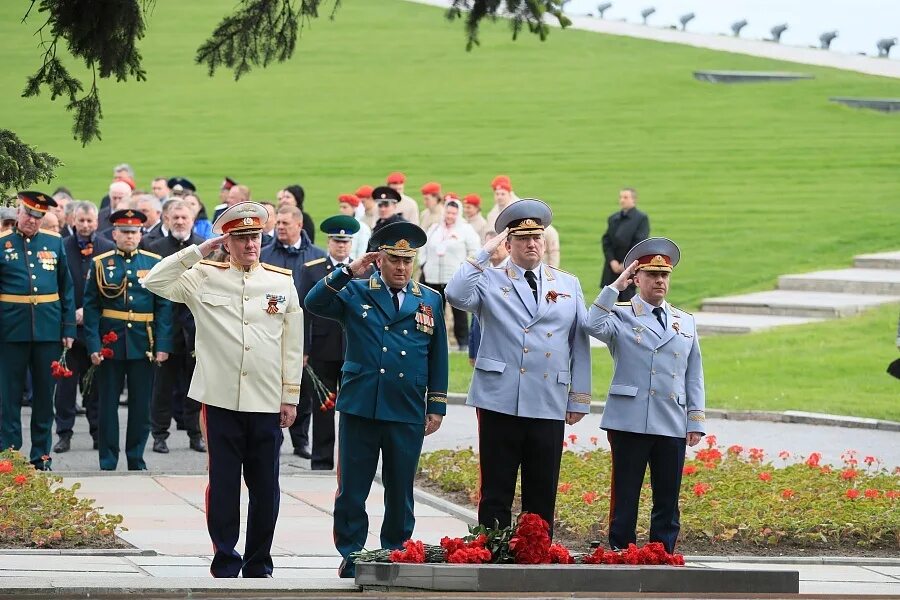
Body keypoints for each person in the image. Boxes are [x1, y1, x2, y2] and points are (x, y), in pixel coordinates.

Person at [142, 201, 302, 578]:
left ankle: (259, 560)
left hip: (266, 399)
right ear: (227, 241)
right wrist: (199, 250)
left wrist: (289, 396)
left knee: (266, 487)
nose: (250, 245)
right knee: (224, 484)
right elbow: (154, 280)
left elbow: (292, 345)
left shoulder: (281, 281)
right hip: (220, 398)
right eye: (242, 238)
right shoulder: (204, 276)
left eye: (255, 237)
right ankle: (226, 557)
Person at [305, 221, 448, 579]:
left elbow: (438, 355)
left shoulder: (428, 299)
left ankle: (397, 551)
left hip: (406, 407)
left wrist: (437, 404)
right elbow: (314, 302)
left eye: (407, 261)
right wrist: (349, 270)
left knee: (401, 489)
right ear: (379, 259)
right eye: (393, 260)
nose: (401, 268)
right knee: (353, 487)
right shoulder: (355, 291)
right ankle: (352, 552)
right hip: (362, 403)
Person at [445, 198, 591, 535]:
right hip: (500, 395)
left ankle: (535, 552)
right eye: (523, 238)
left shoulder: (567, 284)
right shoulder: (489, 280)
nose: (532, 244)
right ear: (507, 244)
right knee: (497, 486)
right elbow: (454, 294)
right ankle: (494, 551)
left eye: (537, 237)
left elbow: (578, 342)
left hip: (548, 396)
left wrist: (579, 396)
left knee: (542, 486)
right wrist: (483, 253)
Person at [586, 237, 705, 553]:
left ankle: (661, 554)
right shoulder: (621, 314)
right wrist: (614, 287)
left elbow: (694, 373)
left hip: (671, 420)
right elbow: (591, 324)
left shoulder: (685, 321)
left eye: (664, 275)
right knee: (625, 494)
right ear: (636, 278)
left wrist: (695, 420)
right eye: (652, 275)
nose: (660, 281)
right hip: (629, 419)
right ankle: (621, 552)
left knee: (668, 497)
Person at [83, 209, 173, 471]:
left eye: (134, 232)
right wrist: (93, 345)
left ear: (140, 233)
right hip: (110, 344)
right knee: (107, 406)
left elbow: (164, 307)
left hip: (143, 343)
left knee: (141, 406)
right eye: (124, 232)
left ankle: (136, 458)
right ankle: (108, 460)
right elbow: (90, 308)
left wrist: (163, 344)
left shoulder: (153, 262)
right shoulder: (101, 263)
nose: (130, 237)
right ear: (114, 234)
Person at [0, 191, 76, 470]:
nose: (32, 220)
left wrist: (68, 327)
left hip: (47, 329)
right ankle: (8, 454)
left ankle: (41, 455)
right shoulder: (2, 244)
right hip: (10, 330)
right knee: (8, 397)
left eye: (38, 216)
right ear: (18, 213)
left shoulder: (54, 243)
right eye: (28, 213)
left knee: (45, 397)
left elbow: (66, 288)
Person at [297, 215, 365, 471]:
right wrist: (302, 348)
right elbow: (302, 311)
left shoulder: (364, 271)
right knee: (324, 407)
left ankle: (350, 462)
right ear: (329, 242)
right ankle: (322, 461)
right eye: (337, 241)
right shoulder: (312, 269)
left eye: (346, 242)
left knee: (353, 409)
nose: (341, 246)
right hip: (322, 348)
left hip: (355, 349)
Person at [260, 205, 326, 458]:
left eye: (286, 223)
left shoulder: (316, 257)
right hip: (270, 333)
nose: (280, 228)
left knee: (302, 392)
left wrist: (306, 348)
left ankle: (300, 441)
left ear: (299, 225)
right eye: (278, 224)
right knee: (270, 390)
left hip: (304, 333)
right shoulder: (264, 255)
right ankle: (271, 440)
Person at [54, 202, 114, 453]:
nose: (86, 225)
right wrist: (71, 314)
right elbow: (57, 286)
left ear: (96, 223)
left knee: (95, 389)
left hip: (96, 331)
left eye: (90, 221)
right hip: (69, 329)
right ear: (73, 220)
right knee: (65, 389)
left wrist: (89, 313)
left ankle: (98, 434)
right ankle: (64, 434)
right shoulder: (62, 247)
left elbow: (111, 291)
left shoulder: (108, 249)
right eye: (81, 221)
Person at [148, 200, 207, 454]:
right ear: (166, 219)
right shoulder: (154, 247)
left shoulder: (205, 247)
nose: (180, 222)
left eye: (185, 217)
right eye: (176, 217)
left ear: (193, 219)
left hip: (196, 327)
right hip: (166, 325)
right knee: (163, 387)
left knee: (195, 386)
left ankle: (196, 434)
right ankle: (159, 434)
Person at [420, 199, 480, 351]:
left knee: (458, 312)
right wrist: (424, 264)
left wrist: (464, 270)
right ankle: (431, 341)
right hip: (432, 276)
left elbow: (474, 251)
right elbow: (424, 248)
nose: (450, 216)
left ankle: (463, 344)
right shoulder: (434, 228)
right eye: (448, 212)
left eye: (454, 213)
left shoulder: (466, 230)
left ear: (458, 214)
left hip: (454, 278)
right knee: (431, 310)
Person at [467, 230, 509, 366]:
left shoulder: (513, 272)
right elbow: (475, 317)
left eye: (498, 245)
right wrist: (473, 350)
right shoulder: (481, 272)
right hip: (482, 346)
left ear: (508, 246)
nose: (494, 250)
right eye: (490, 246)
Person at [600, 187, 650, 301]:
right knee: (607, 302)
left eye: (625, 197)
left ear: (634, 200)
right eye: (621, 197)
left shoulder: (641, 218)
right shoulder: (613, 218)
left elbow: (639, 243)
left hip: (629, 268)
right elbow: (606, 241)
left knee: (627, 303)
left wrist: (625, 264)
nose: (622, 200)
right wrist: (612, 260)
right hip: (611, 268)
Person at [337, 194, 371, 260]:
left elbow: (362, 252)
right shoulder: (337, 225)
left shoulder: (362, 228)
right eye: (340, 207)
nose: (341, 210)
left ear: (354, 208)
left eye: (344, 207)